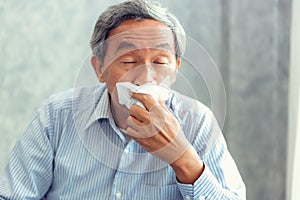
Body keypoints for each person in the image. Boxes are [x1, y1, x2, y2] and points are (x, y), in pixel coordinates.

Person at [0, 0, 246, 199]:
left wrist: (182, 158)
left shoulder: (197, 121)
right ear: (99, 68)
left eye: (160, 62)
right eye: (129, 61)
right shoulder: (57, 114)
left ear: (176, 69)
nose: (145, 77)